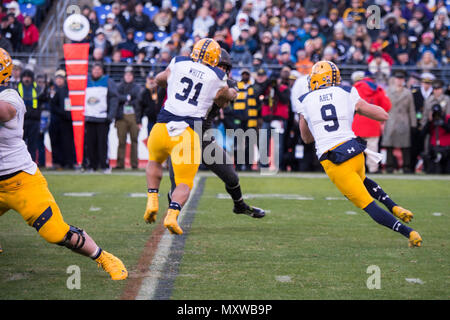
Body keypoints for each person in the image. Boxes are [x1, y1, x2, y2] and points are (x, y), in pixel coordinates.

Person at [0, 48, 127, 280]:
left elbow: (3, 112)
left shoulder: (10, 98)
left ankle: (102, 256)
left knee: (56, 233)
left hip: (20, 181)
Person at [293, 60, 422, 248]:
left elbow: (306, 138)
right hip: (355, 151)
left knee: (368, 206)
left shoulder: (305, 100)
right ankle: (394, 206)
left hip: (334, 160)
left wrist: (306, 119)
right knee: (362, 179)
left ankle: (409, 233)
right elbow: (382, 115)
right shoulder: (347, 91)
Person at [143, 38, 237, 235]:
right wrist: (232, 92)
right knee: (184, 182)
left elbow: (159, 79)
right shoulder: (217, 75)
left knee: (154, 162)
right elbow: (224, 97)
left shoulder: (179, 62)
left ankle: (152, 197)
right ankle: (172, 214)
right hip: (187, 132)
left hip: (161, 126)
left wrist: (171, 82)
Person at [167, 48, 265, 218]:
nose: (223, 71)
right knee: (177, 183)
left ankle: (239, 205)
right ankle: (172, 216)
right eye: (220, 66)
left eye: (225, 68)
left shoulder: (226, 82)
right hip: (181, 134)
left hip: (204, 136)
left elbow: (226, 98)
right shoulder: (194, 75)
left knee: (231, 176)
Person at [352, 71, 391, 173]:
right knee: (372, 151)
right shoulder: (378, 89)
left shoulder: (354, 88)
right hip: (373, 124)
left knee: (355, 150)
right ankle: (373, 169)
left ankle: (355, 170)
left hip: (356, 124)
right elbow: (387, 106)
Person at [84, 62, 118, 173]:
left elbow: (114, 98)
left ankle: (104, 165)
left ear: (102, 71)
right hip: (89, 118)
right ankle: (92, 166)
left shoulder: (108, 81)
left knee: (102, 143)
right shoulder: (86, 81)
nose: (96, 71)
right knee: (90, 144)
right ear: (91, 71)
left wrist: (111, 115)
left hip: (103, 118)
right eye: (95, 69)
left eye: (99, 69)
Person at [381, 70, 417, 173]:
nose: (399, 81)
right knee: (389, 145)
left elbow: (411, 109)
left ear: (404, 80)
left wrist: (413, 124)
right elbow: (383, 106)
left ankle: (406, 166)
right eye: (397, 79)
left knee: (405, 146)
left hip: (403, 121)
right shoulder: (387, 91)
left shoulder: (408, 93)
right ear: (394, 80)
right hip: (390, 120)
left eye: (401, 79)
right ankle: (389, 166)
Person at [48, 69, 76, 169]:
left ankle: (68, 162)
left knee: (67, 142)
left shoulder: (68, 90)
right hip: (55, 121)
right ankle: (56, 162)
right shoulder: (52, 90)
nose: (59, 80)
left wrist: (66, 114)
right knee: (55, 142)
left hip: (66, 121)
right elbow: (51, 105)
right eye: (57, 78)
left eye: (61, 78)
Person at [115, 67, 142, 170]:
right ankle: (120, 164)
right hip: (121, 116)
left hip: (134, 116)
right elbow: (117, 98)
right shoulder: (119, 86)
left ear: (133, 76)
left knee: (134, 140)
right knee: (121, 141)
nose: (128, 76)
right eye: (126, 75)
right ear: (124, 76)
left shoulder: (137, 87)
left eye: (130, 75)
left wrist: (126, 98)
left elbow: (138, 99)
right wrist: (128, 98)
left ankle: (134, 164)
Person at [138, 71, 165, 135]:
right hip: (150, 120)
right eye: (150, 79)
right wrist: (139, 120)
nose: (151, 81)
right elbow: (140, 107)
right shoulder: (144, 92)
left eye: (153, 79)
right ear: (147, 80)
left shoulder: (161, 89)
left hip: (161, 120)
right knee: (151, 138)